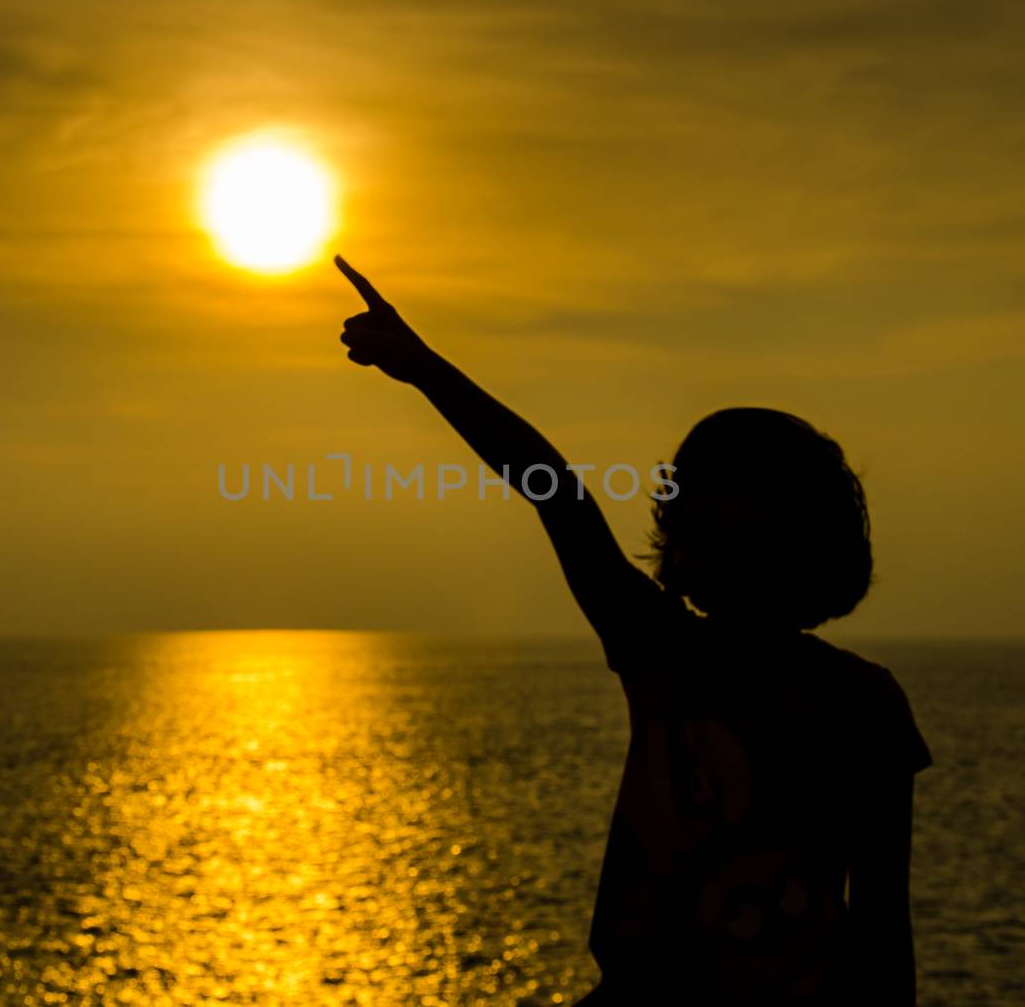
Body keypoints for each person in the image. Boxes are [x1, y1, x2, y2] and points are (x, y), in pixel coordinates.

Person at [333, 255, 933, 1004]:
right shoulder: (680, 654)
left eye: (711, 505)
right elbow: (552, 488)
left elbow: (881, 930)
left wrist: (422, 366)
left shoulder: (835, 697)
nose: (685, 525)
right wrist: (422, 368)